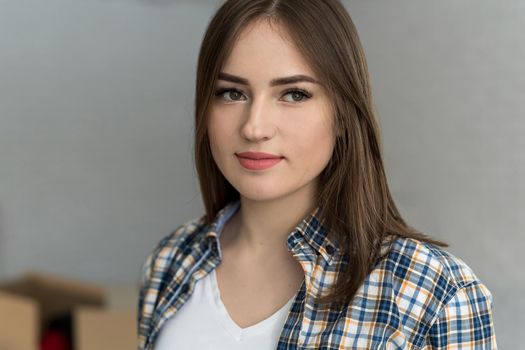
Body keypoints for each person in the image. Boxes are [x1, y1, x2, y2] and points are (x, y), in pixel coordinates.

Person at [137, 0, 497, 349]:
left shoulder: (432, 291)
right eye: (232, 93)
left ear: (343, 114)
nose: (254, 127)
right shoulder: (171, 259)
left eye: (294, 94)